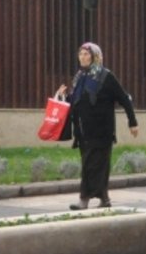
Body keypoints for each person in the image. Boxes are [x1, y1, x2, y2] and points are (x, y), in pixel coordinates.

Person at [55, 42, 139, 210]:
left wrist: (132, 122)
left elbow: (124, 98)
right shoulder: (79, 77)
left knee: (90, 164)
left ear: (95, 57)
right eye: (81, 54)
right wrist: (62, 96)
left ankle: (84, 198)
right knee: (99, 165)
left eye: (87, 54)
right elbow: (76, 102)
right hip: (83, 131)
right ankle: (104, 198)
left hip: (101, 131)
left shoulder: (105, 76)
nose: (83, 57)